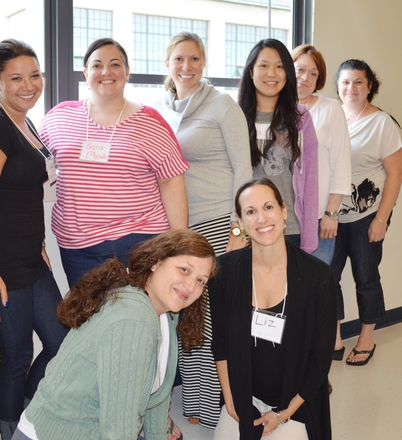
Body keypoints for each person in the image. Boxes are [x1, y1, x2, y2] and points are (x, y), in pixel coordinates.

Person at [11, 230, 217, 440]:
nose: (191, 286)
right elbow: (119, 427)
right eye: (184, 270)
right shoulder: (133, 318)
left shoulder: (167, 313)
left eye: (201, 280)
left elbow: (158, 400)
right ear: (156, 262)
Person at [0, 39, 69, 439]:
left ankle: (30, 417)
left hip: (31, 257)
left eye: (34, 75)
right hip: (2, 265)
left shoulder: (24, 121)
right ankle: (12, 432)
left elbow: (23, 194)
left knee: (62, 341)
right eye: (16, 78)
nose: (28, 85)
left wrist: (40, 242)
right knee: (16, 356)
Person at [155, 31, 252, 429]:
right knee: (186, 318)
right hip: (180, 231)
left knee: (209, 322)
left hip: (217, 225)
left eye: (194, 59)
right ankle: (195, 399)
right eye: (179, 59)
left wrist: (237, 226)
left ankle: (212, 407)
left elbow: (244, 169)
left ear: (204, 62)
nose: (187, 67)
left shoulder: (222, 106)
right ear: (168, 64)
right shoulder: (162, 108)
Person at [38, 38, 189, 288]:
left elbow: (172, 181)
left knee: (140, 318)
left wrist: (179, 245)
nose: (106, 72)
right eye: (97, 65)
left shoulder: (151, 122)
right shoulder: (58, 118)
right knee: (92, 322)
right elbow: (30, 171)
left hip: (141, 240)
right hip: (79, 248)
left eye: (115, 64)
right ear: (85, 73)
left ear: (127, 72)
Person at [210, 178, 337, 440]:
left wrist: (284, 413)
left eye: (268, 207)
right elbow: (220, 343)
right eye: (250, 212)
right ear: (240, 221)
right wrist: (230, 399)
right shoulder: (224, 271)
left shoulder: (318, 277)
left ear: (283, 211)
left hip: (297, 399)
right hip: (244, 392)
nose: (261, 219)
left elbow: (321, 357)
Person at [331, 60, 402, 366]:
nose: (352, 88)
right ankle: (332, 338)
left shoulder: (382, 123)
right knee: (325, 279)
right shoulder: (331, 118)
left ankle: (366, 337)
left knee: (366, 278)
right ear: (338, 86)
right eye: (346, 82)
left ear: (370, 86)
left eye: (359, 82)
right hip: (332, 216)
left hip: (366, 217)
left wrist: (381, 219)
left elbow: (396, 175)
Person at [238, 39, 319, 254]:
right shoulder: (234, 118)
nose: (272, 73)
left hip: (288, 229)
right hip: (247, 230)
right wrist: (236, 230)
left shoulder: (301, 119)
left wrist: (309, 241)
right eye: (264, 65)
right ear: (251, 72)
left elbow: (310, 182)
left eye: (280, 66)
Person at [291, 45, 351, 271]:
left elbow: (341, 164)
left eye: (313, 74)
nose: (305, 78)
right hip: (284, 218)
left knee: (315, 286)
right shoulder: (275, 109)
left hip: (318, 217)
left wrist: (331, 214)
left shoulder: (331, 109)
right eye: (300, 70)